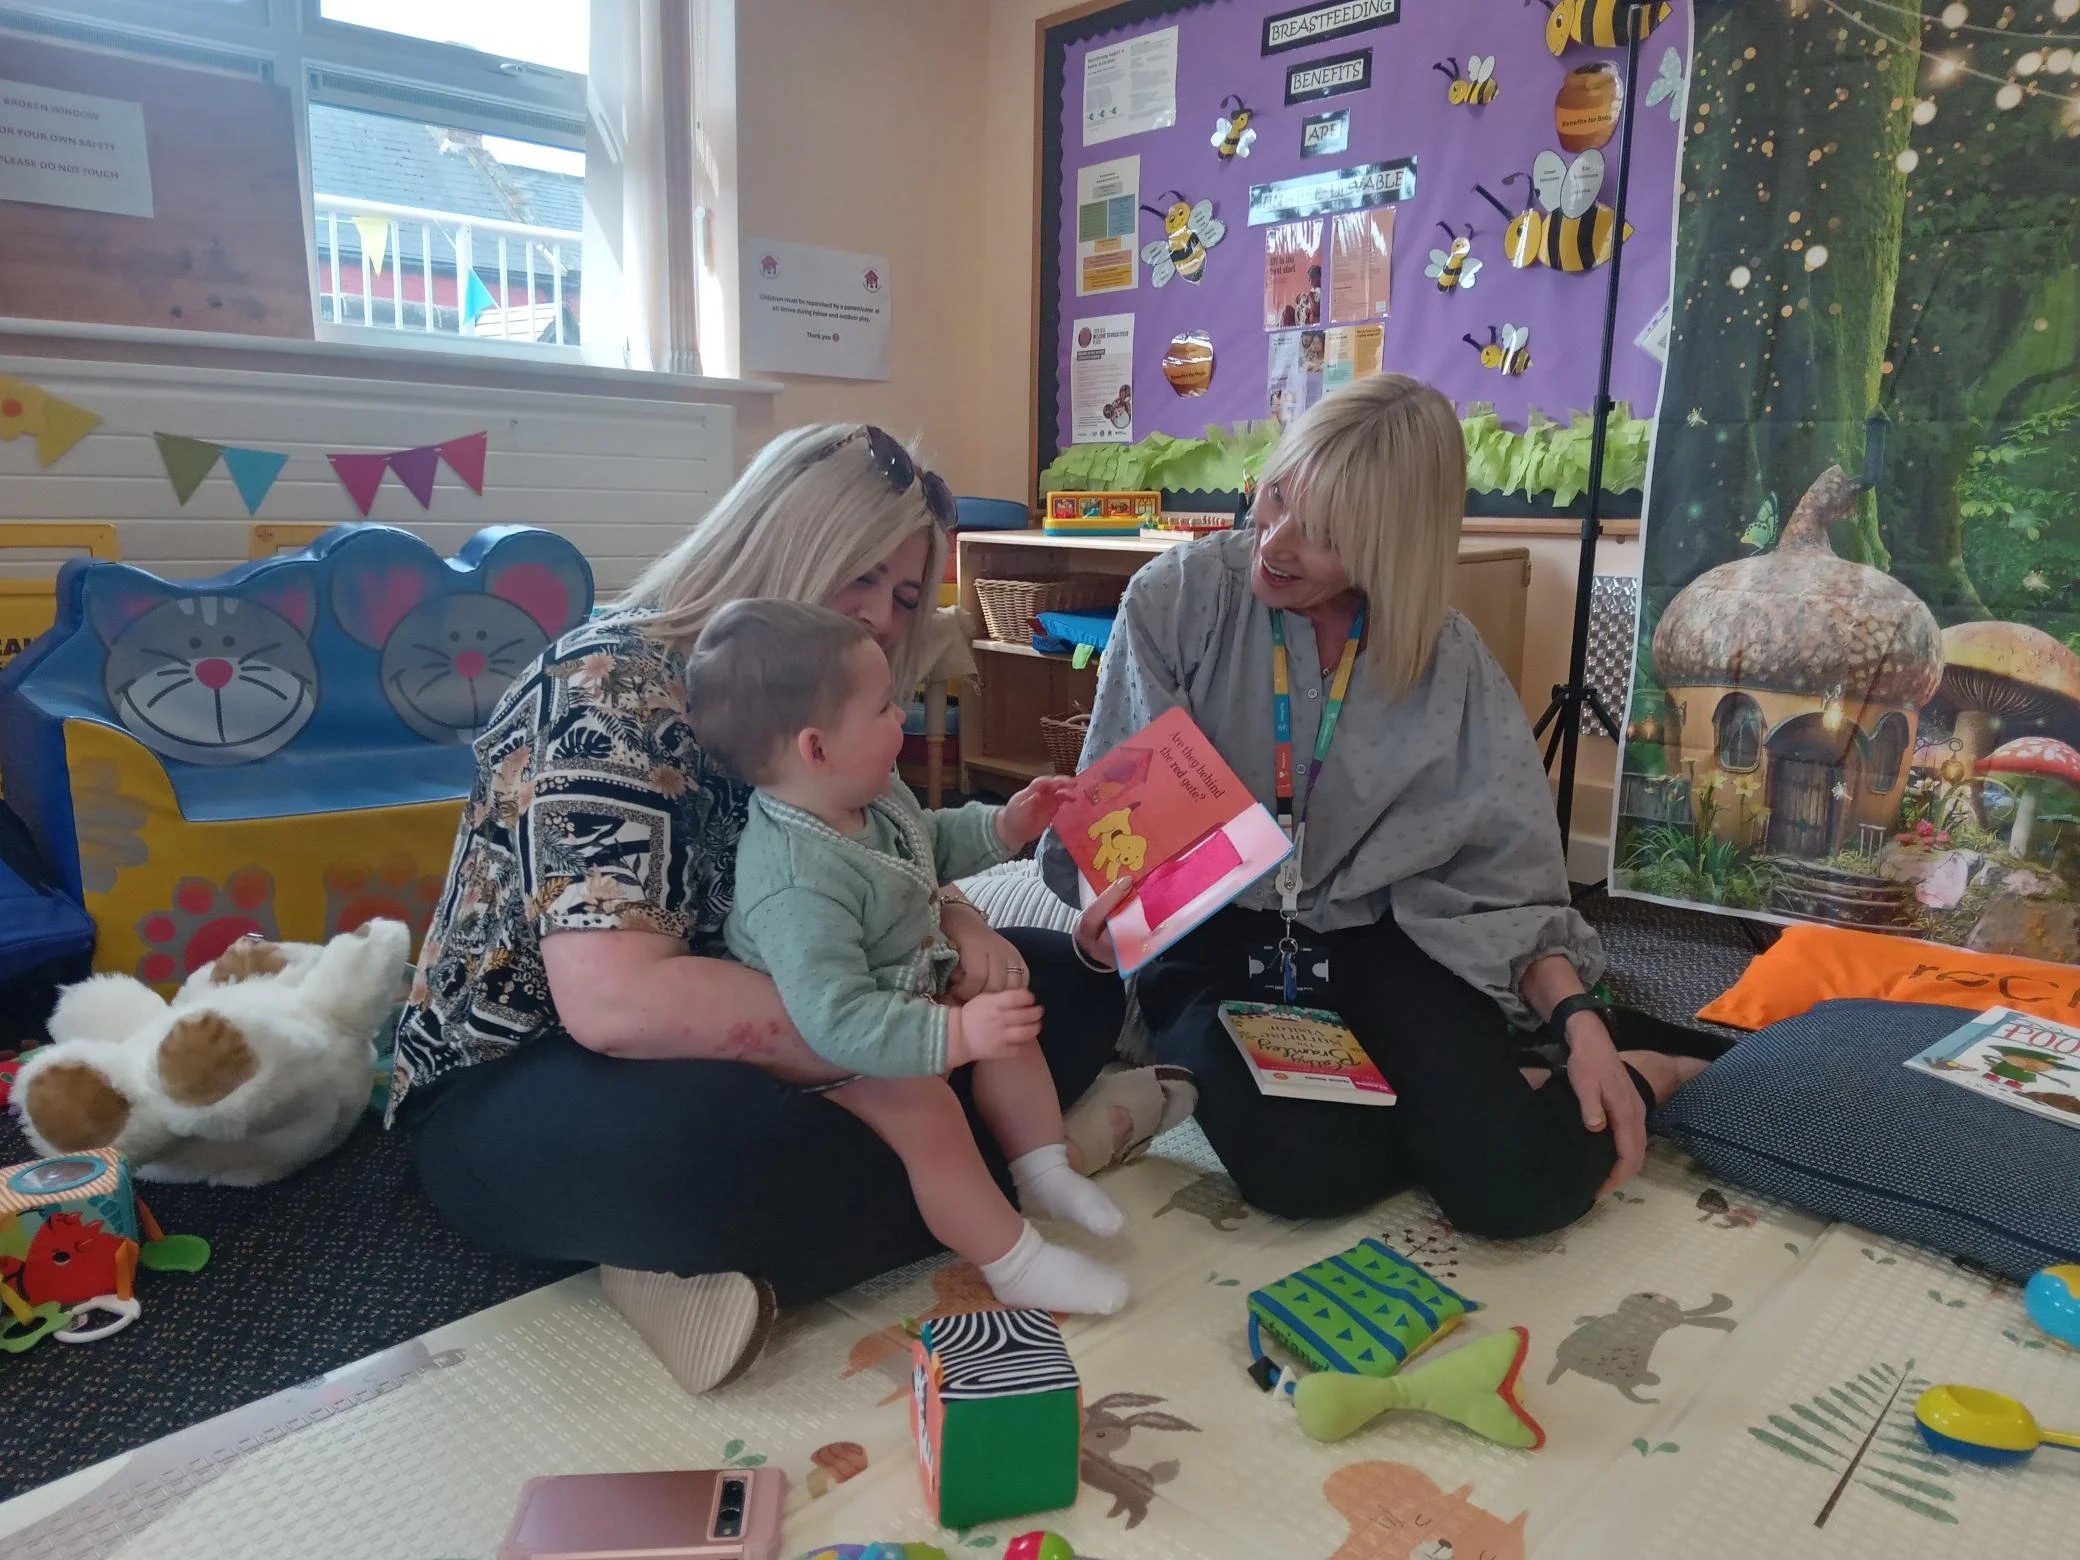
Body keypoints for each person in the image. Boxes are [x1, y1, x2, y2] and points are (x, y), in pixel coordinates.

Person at [392, 423, 1185, 1395]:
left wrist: (963, 936)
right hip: (540, 1068)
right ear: (782, 540)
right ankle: (1006, 1169)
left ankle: (926, 1191)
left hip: (804, 1002)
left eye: (902, 595)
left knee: (1054, 982)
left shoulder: (828, 694)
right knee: (729, 1153)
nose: (884, 620)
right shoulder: (607, 686)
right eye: (859, 577)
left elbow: (880, 860)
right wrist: (918, 1037)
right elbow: (618, 1005)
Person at [1040, 374, 1722, 1239]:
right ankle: (1481, 1097)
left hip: (1386, 933)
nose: (1276, 541)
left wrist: (1580, 1022)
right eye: (1277, 493)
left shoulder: (1449, 659)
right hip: (1210, 937)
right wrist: (1116, 914)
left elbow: (1503, 881)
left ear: (1390, 545)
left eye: (1324, 535)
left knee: (1517, 1191)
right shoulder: (1179, 601)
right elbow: (1129, 836)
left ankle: (1644, 1064)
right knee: (1306, 1171)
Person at [686, 601, 1129, 1316]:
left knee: (1011, 1027)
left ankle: (1044, 1167)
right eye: (886, 707)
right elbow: (833, 1018)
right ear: (816, 748)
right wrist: (954, 1037)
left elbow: (926, 840)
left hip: (904, 981)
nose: (906, 719)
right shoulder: (795, 880)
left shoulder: (869, 792)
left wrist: (1007, 823)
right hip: (821, 1041)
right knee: (929, 1115)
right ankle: (1014, 1262)